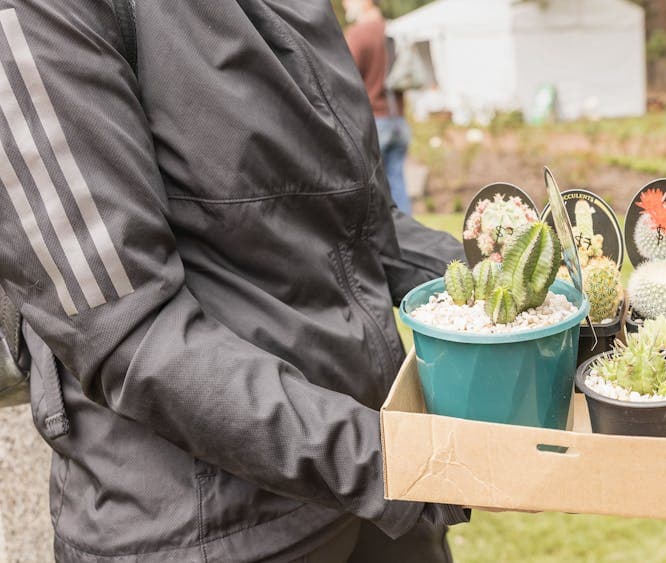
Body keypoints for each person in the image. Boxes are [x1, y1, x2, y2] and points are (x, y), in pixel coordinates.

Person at [0, 1, 469, 560]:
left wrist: (546, 297)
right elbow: (127, 333)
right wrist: (390, 460)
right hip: (206, 526)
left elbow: (363, 224)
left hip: (372, 489)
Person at [344, 0, 413, 214]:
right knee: (397, 182)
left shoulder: (357, 35)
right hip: (398, 119)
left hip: (373, 121)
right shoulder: (395, 31)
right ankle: (408, 238)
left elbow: (344, 78)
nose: (346, 5)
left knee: (369, 187)